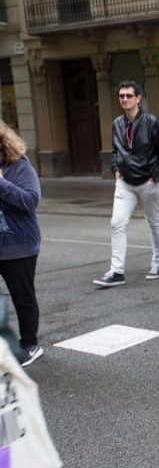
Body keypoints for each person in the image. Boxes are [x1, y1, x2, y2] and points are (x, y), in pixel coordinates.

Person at [93, 81, 159, 287]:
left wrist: (155, 176)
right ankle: (116, 271)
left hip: (149, 182)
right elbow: (116, 150)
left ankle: (158, 264)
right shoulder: (117, 123)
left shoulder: (152, 122)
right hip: (125, 183)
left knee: (155, 222)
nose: (125, 99)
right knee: (116, 223)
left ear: (138, 98)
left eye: (129, 95)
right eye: (121, 96)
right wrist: (116, 169)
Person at [0, 120, 44, 366]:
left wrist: (1, 184)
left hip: (19, 246)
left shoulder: (19, 165)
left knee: (23, 298)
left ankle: (30, 344)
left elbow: (31, 200)